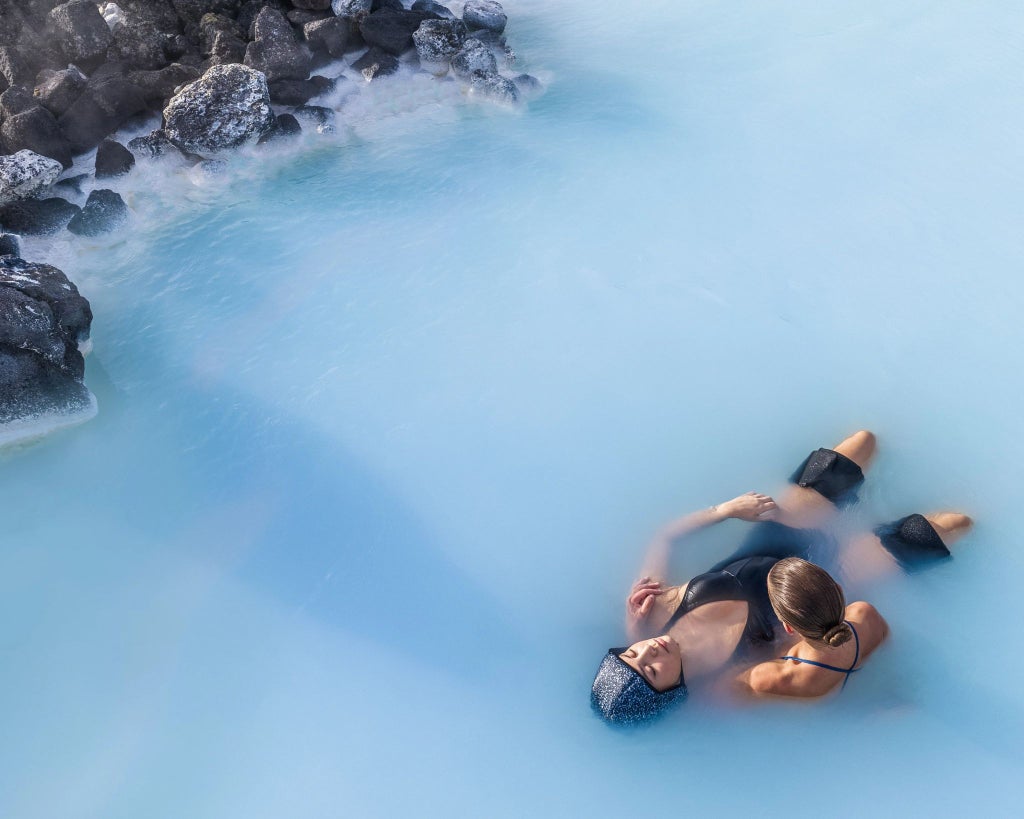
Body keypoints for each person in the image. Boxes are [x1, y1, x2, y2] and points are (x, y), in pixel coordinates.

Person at [590, 430, 971, 723]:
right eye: (652, 670)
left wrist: (725, 510)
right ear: (670, 693)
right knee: (942, 528)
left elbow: (666, 536)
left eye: (633, 654)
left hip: (778, 532)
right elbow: (809, 677)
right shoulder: (727, 687)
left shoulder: (647, 614)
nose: (649, 652)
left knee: (857, 446)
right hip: (823, 579)